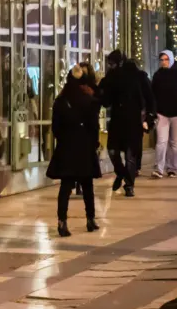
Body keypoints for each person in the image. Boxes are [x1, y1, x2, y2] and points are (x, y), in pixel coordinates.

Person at [47, 64, 102, 237]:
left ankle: (62, 221)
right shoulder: (90, 100)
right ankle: (90, 219)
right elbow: (94, 126)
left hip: (67, 146)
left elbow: (55, 128)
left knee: (65, 187)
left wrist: (63, 139)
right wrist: (94, 143)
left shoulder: (61, 100)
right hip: (85, 146)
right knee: (87, 186)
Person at [100, 50, 147, 197]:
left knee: (129, 155)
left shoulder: (136, 75)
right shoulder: (112, 77)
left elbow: (146, 96)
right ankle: (122, 174)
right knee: (114, 151)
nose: (111, 66)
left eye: (112, 63)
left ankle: (129, 184)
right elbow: (106, 100)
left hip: (131, 120)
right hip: (118, 120)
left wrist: (148, 117)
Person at [153, 50, 177, 178]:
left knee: (174, 144)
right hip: (161, 113)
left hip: (176, 114)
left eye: (166, 59)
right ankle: (159, 168)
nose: (163, 62)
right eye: (161, 60)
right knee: (161, 141)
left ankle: (172, 168)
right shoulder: (158, 75)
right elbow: (153, 93)